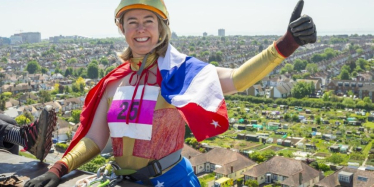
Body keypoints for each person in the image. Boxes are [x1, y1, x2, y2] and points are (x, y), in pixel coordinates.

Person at [25, 0, 316, 186]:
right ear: (122, 29)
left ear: (162, 27)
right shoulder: (114, 82)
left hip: (174, 181)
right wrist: (59, 168)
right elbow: (95, 138)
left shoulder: (180, 74)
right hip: (121, 180)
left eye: (148, 21)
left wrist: (286, 45)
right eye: (132, 22)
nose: (140, 29)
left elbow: (237, 79)